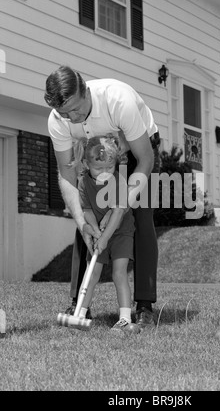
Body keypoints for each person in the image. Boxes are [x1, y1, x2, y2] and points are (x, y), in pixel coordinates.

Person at [44, 65, 160, 329]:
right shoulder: (57, 121)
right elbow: (67, 175)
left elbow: (145, 160)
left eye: (76, 109)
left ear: (86, 91)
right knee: (86, 217)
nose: (71, 118)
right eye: (64, 113)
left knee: (139, 221)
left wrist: (118, 208)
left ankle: (143, 306)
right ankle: (80, 304)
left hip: (136, 153)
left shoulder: (118, 100)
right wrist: (82, 221)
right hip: (94, 156)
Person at [72, 134, 136, 332]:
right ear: (86, 164)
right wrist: (95, 233)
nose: (105, 173)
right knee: (92, 275)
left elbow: (117, 213)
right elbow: (87, 211)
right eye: (98, 169)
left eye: (109, 167)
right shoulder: (83, 183)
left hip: (121, 232)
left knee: (119, 272)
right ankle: (80, 314)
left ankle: (125, 318)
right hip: (99, 232)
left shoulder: (119, 181)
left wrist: (106, 237)